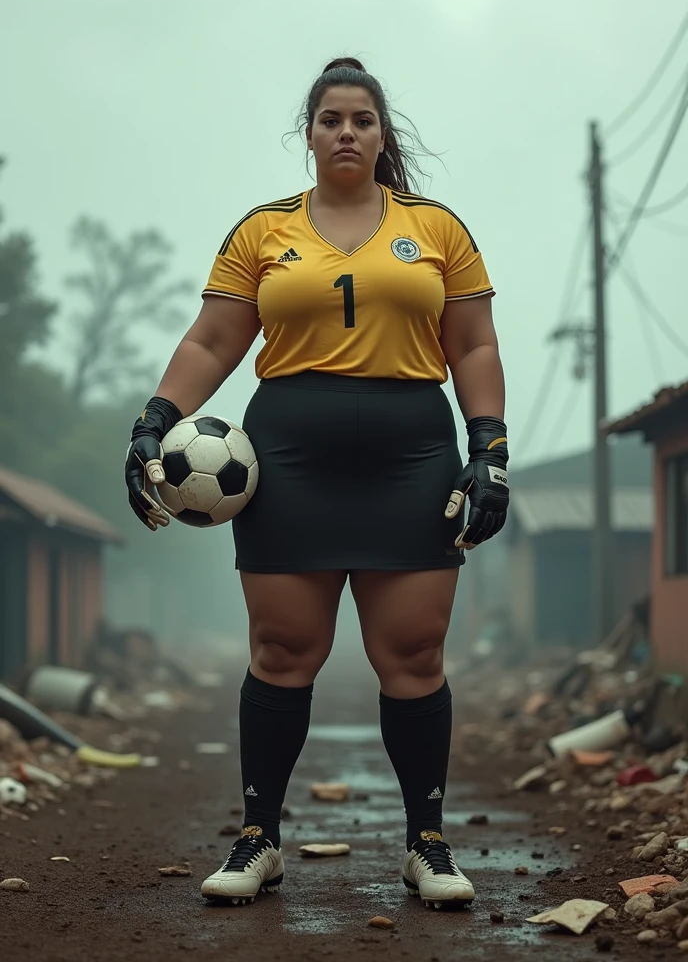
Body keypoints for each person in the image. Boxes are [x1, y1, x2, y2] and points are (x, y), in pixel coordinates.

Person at [124, 57, 509, 909]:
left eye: (361, 120)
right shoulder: (263, 230)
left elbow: (474, 345)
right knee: (282, 651)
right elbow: (214, 341)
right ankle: (260, 838)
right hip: (290, 459)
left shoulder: (436, 228)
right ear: (310, 135)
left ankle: (428, 845)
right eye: (330, 118)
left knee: (413, 654)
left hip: (412, 455)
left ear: (381, 136)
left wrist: (489, 447)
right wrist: (154, 419)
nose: (345, 131)